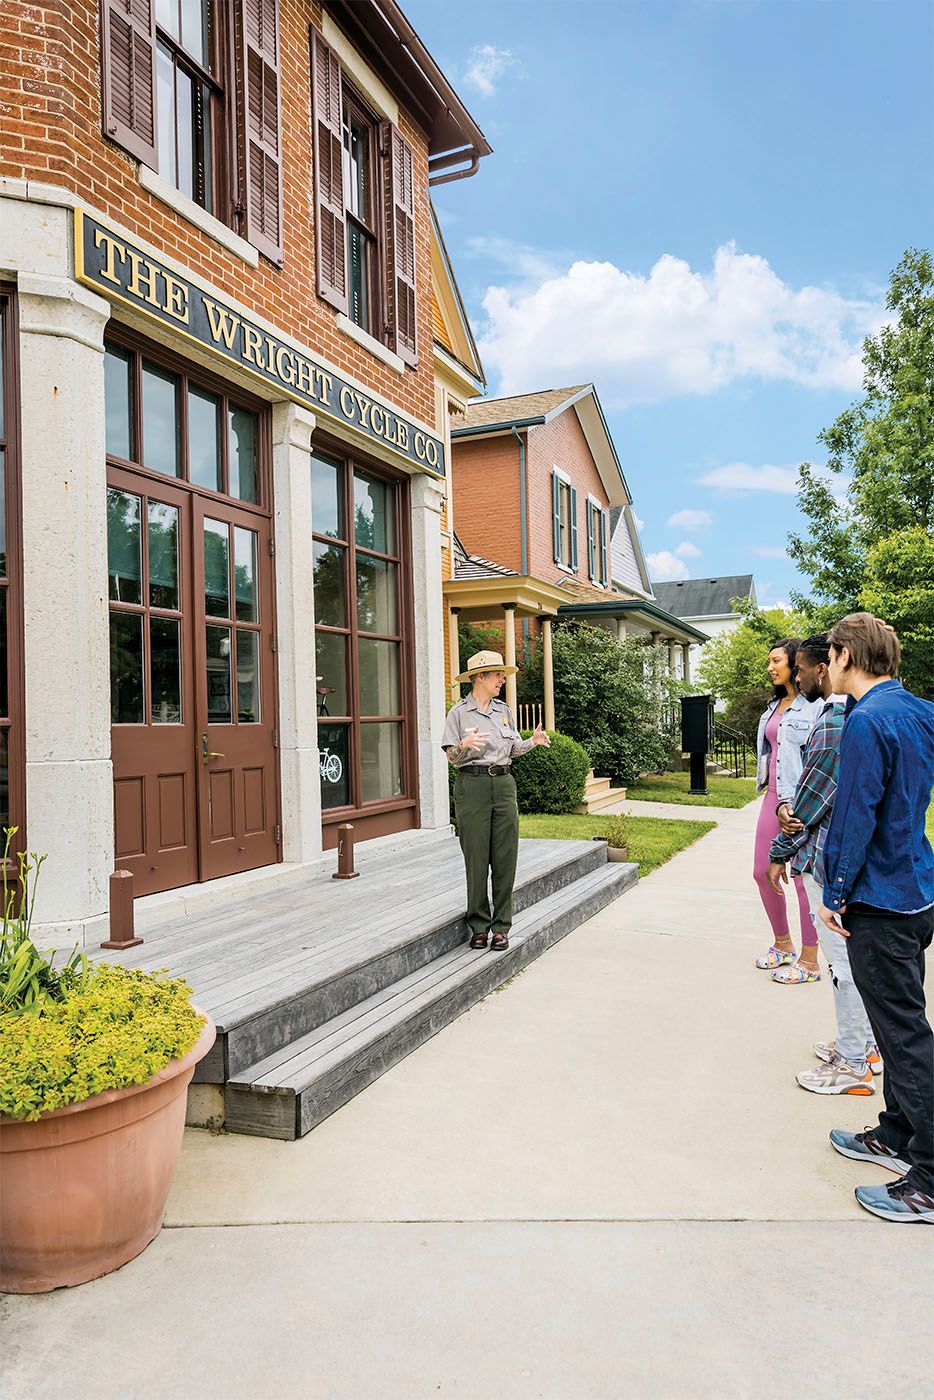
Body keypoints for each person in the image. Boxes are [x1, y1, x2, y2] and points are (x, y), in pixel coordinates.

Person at [816, 613, 934, 1224]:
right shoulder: (920, 709)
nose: (826, 666)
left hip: (881, 900)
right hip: (916, 890)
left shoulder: (865, 719)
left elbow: (855, 814)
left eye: (830, 655)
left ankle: (930, 1179)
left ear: (844, 655)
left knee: (904, 1034)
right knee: (896, 1028)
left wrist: (835, 891)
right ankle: (895, 1134)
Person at [766, 635, 881, 1091]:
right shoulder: (858, 714)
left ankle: (854, 1061)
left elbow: (813, 797)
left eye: (801, 667)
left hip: (829, 859)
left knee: (842, 965)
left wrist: (781, 849)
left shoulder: (836, 719)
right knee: (847, 963)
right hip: (840, 857)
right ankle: (861, 1044)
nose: (796, 676)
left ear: (826, 666)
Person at [442, 650, 550, 952]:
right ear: (480, 677)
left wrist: (532, 742)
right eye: (497, 675)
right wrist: (463, 745)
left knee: (505, 858)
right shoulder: (458, 713)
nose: (502, 679)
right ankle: (478, 926)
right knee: (476, 859)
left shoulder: (504, 711)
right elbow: (451, 757)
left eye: (502, 675)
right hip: (472, 786)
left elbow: (512, 748)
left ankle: (501, 927)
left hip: (503, 785)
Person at [752, 637, 824, 981]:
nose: (770, 667)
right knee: (761, 871)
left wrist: (802, 803)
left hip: (802, 801)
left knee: (801, 879)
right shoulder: (772, 708)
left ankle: (810, 960)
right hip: (772, 798)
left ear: (795, 663)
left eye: (776, 660)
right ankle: (783, 944)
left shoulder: (814, 707)